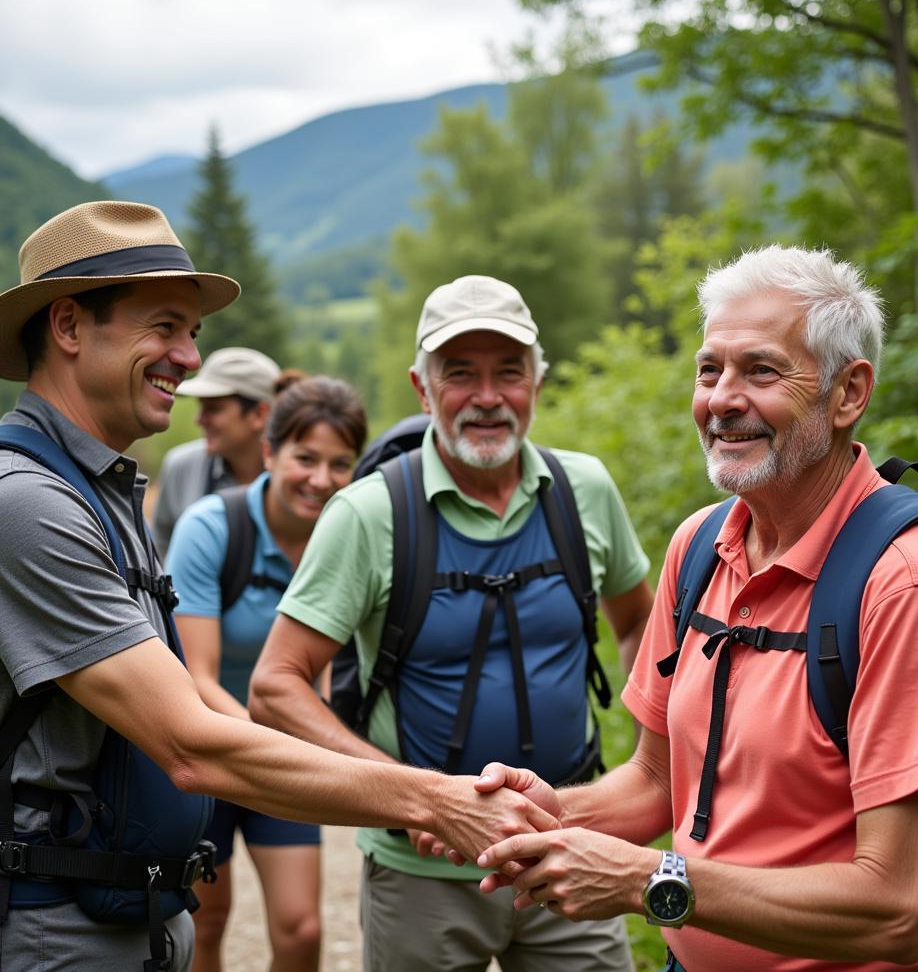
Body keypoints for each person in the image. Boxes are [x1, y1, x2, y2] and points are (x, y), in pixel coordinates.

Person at [0, 202, 559, 972]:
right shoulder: (28, 503)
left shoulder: (102, 490)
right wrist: (433, 800)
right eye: (164, 327)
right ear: (67, 325)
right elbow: (190, 741)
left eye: (191, 333)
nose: (189, 359)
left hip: (125, 917)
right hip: (53, 928)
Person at [474, 245, 918, 972]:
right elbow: (659, 784)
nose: (721, 398)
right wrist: (547, 815)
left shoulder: (910, 584)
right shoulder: (701, 545)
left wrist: (643, 880)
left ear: (849, 394)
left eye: (761, 370)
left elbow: (898, 907)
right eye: (709, 369)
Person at [250, 274, 656, 972]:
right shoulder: (368, 513)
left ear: (537, 380)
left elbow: (643, 633)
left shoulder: (584, 489)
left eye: (509, 372)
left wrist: (643, 773)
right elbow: (275, 686)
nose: (489, 397)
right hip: (419, 877)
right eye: (461, 374)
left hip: (568, 853)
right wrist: (418, 802)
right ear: (422, 387)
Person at [165, 375, 367, 972]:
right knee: (207, 919)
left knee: (301, 927)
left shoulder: (346, 535)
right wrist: (281, 744)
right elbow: (195, 675)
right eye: (306, 458)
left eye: (341, 464)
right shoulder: (212, 528)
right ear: (271, 453)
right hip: (207, 749)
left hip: (285, 746)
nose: (321, 480)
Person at [152, 346, 282, 556]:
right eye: (201, 407)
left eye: (213, 409)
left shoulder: (297, 477)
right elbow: (160, 549)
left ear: (259, 414)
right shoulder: (180, 467)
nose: (200, 419)